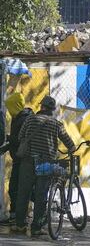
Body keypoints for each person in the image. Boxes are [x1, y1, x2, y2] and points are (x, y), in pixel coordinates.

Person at [12, 96, 75, 236]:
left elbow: (20, 137)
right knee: (41, 195)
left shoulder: (30, 119)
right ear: (52, 109)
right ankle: (36, 227)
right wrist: (71, 149)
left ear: (41, 107)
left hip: (28, 161)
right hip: (46, 163)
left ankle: (20, 225)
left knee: (24, 193)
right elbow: (69, 143)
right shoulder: (56, 124)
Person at [0, 93, 33, 225]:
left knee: (18, 188)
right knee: (14, 188)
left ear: (15, 106)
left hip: (24, 159)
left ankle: (19, 217)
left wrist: (8, 139)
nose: (8, 111)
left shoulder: (25, 118)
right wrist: (7, 147)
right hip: (17, 157)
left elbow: (22, 140)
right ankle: (15, 215)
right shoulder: (17, 117)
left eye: (10, 107)